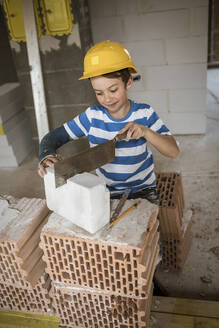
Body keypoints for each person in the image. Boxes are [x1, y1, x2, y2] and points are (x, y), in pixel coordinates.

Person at [38, 40, 179, 204]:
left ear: (128, 82)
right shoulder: (91, 117)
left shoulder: (145, 113)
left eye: (113, 90)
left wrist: (146, 132)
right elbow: (52, 138)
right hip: (106, 191)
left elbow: (173, 151)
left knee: (149, 227)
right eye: (99, 93)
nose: (107, 99)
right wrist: (45, 154)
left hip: (144, 189)